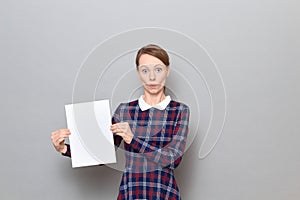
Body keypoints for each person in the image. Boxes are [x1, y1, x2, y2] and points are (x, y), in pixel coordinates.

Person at [51, 44, 190, 200]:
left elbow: (173, 159)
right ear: (138, 73)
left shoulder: (179, 111)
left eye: (158, 69)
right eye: (145, 70)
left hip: (164, 193)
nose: (152, 77)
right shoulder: (124, 111)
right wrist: (64, 148)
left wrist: (133, 139)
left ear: (167, 71)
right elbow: (102, 154)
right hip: (130, 193)